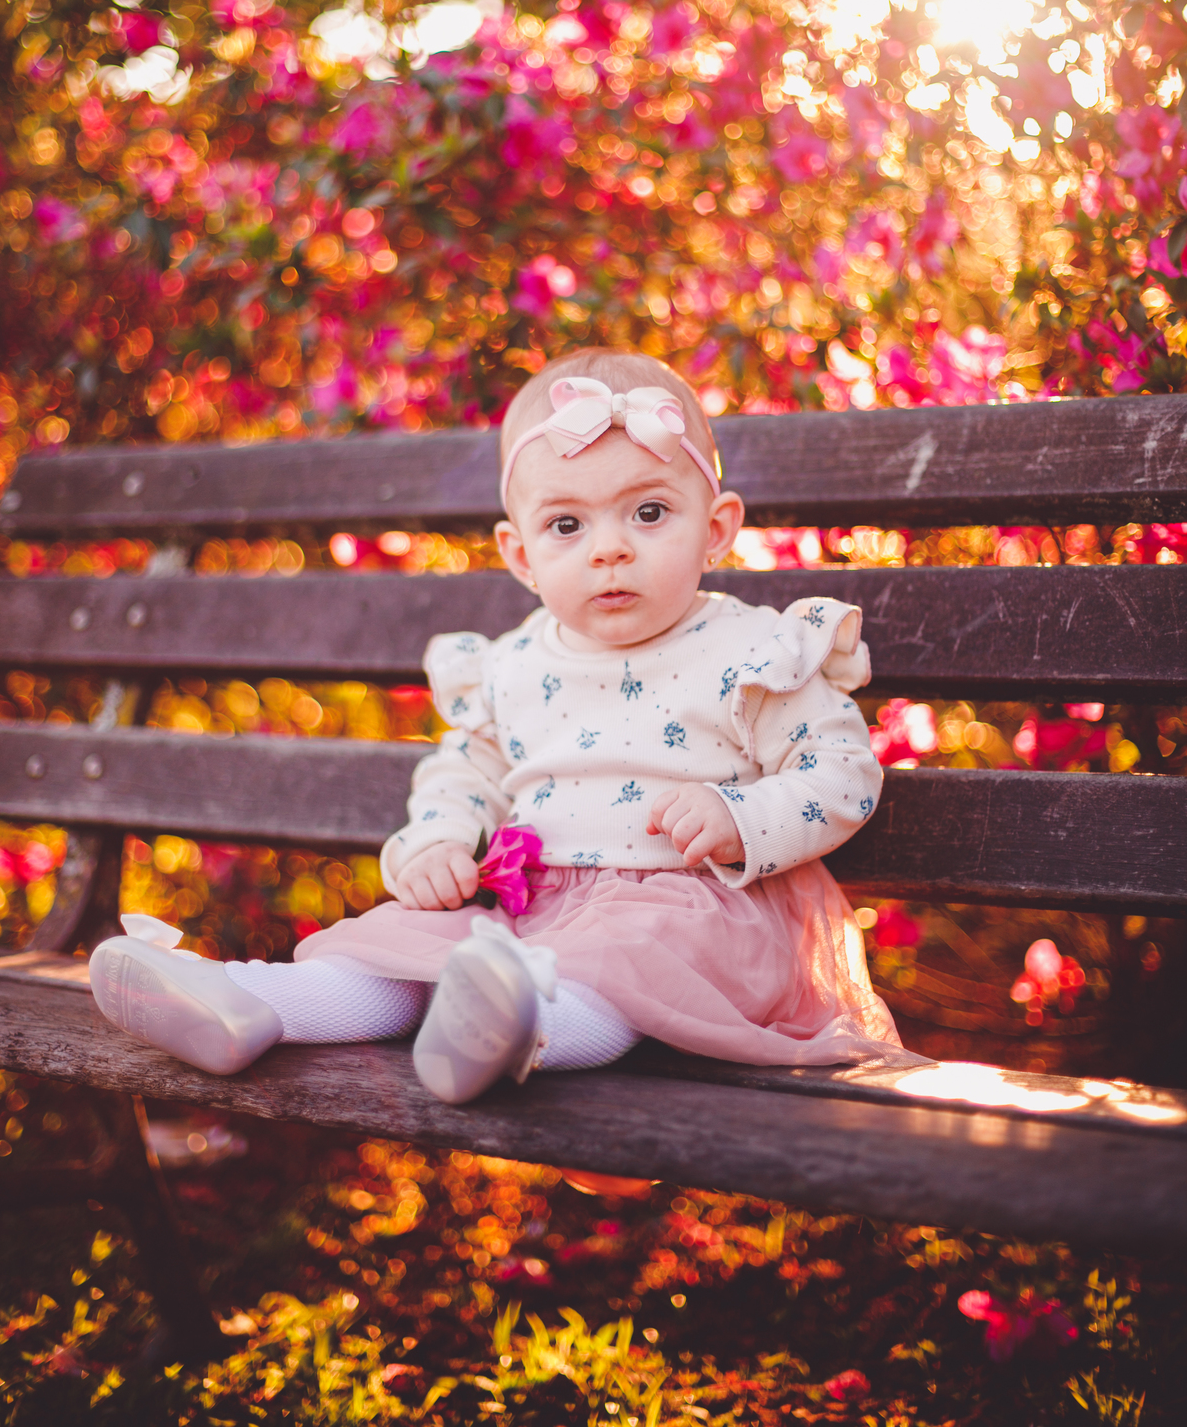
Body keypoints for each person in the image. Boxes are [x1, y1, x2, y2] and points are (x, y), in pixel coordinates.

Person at [90, 349, 905, 1103]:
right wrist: (437, 844)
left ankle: (516, 1027)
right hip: (530, 908)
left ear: (718, 527)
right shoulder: (512, 665)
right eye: (567, 526)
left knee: (608, 970)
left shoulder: (758, 650)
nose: (610, 550)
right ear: (520, 555)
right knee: (402, 950)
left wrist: (739, 818)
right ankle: (250, 1000)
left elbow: (841, 774)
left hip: (691, 910)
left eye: (649, 513)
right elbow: (463, 772)